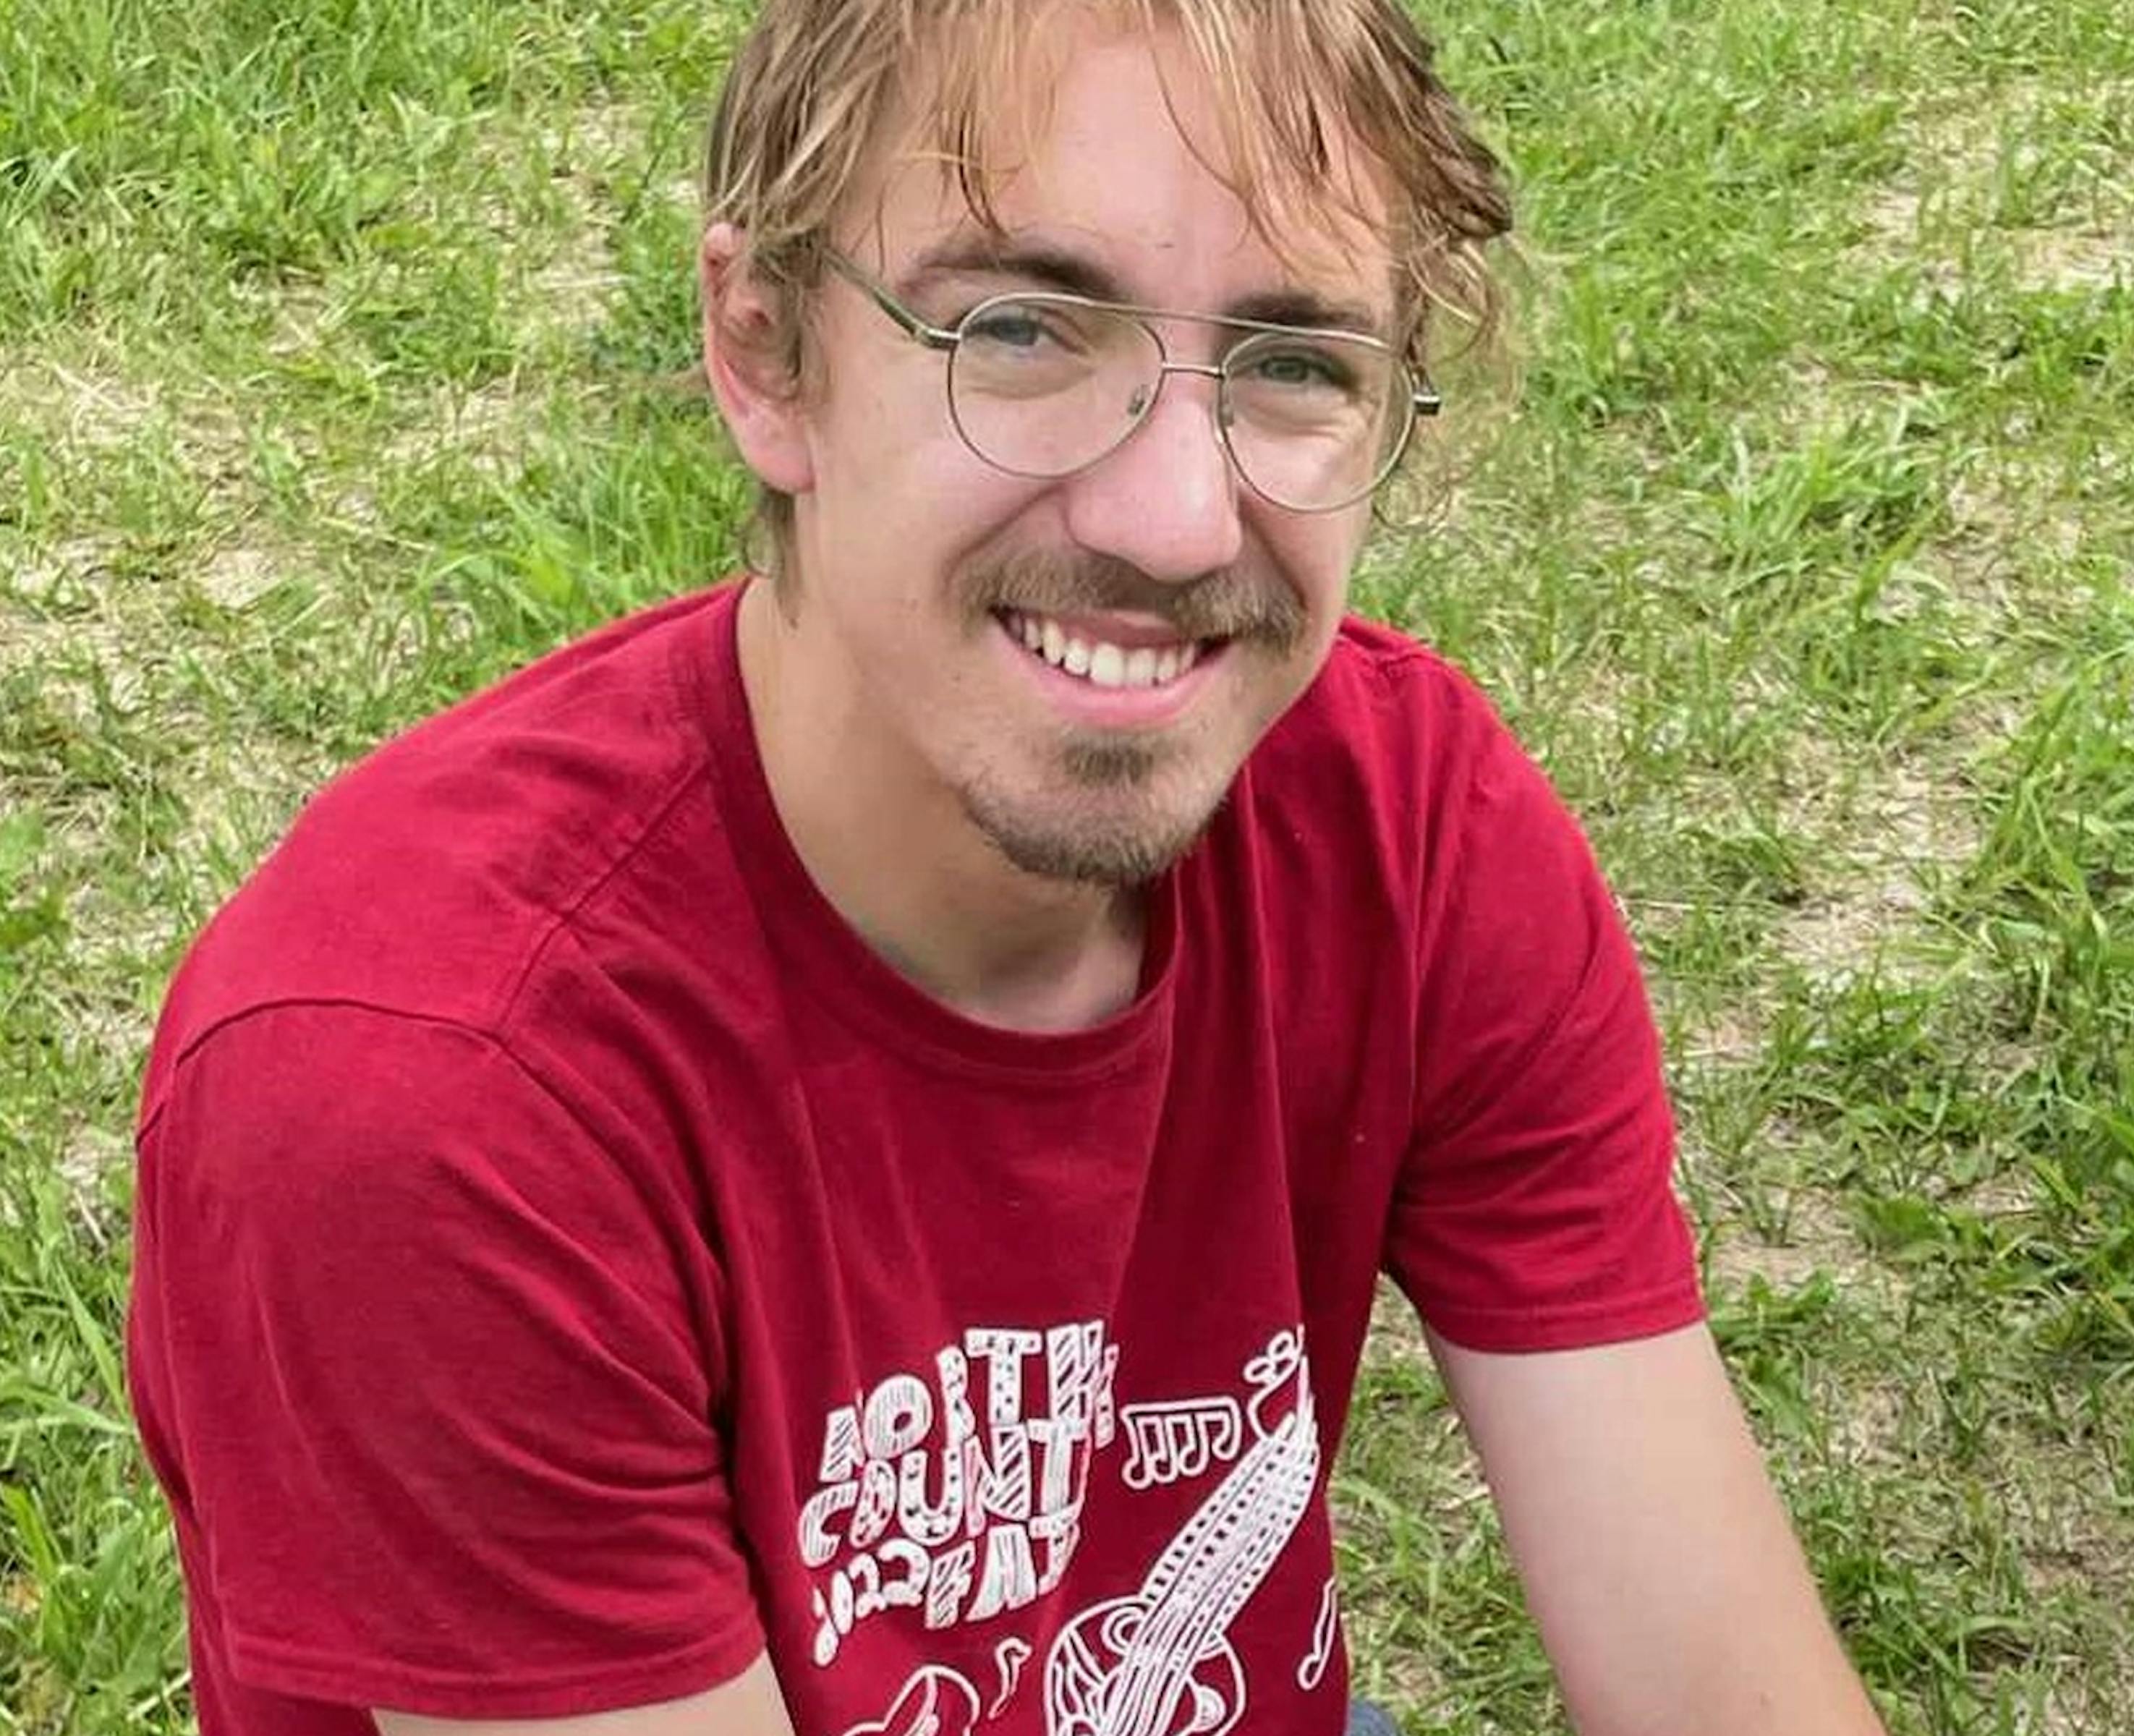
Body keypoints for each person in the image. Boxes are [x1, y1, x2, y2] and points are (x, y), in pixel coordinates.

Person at [124, 4, 1892, 1735]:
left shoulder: (1410, 831)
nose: (1178, 519)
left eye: (1293, 364)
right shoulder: (430, 1083)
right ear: (763, 351)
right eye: (1027, 333)